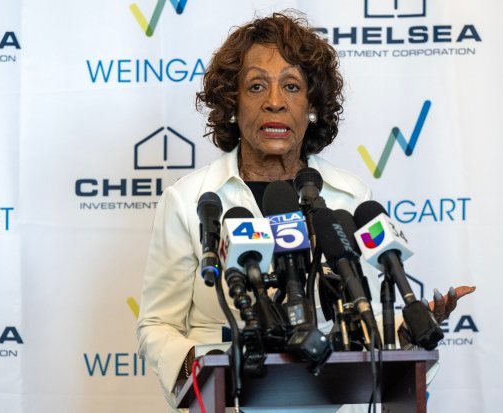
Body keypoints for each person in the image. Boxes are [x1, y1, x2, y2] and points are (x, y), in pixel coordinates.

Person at [136, 11, 474, 412]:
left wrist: (413, 330)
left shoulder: (348, 196)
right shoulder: (190, 200)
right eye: (256, 86)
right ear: (232, 103)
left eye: (291, 87)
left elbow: (359, 321)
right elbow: (159, 326)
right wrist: (206, 368)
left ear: (312, 105)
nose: (275, 102)